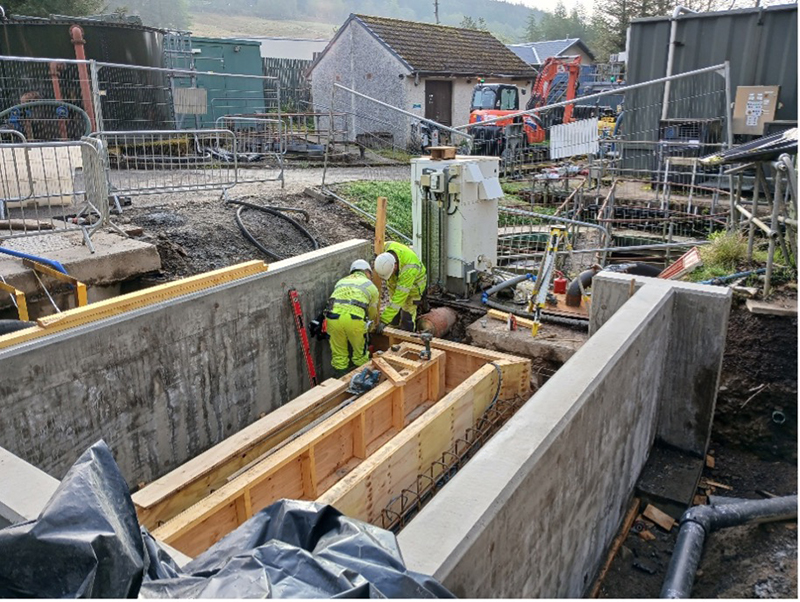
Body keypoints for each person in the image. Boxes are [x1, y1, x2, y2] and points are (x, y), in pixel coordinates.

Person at [326, 259, 379, 378]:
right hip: (354, 320)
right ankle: (361, 382)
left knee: (339, 356)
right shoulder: (370, 286)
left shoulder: (340, 282)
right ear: (367, 272)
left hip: (333, 318)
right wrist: (369, 326)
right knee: (360, 355)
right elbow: (372, 311)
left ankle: (340, 384)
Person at [373, 241, 427, 333]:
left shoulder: (409, 268)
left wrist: (384, 320)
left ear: (395, 266)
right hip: (395, 284)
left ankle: (407, 337)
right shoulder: (385, 247)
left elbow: (399, 298)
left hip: (413, 290)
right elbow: (379, 242)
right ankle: (392, 331)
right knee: (393, 314)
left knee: (407, 317)